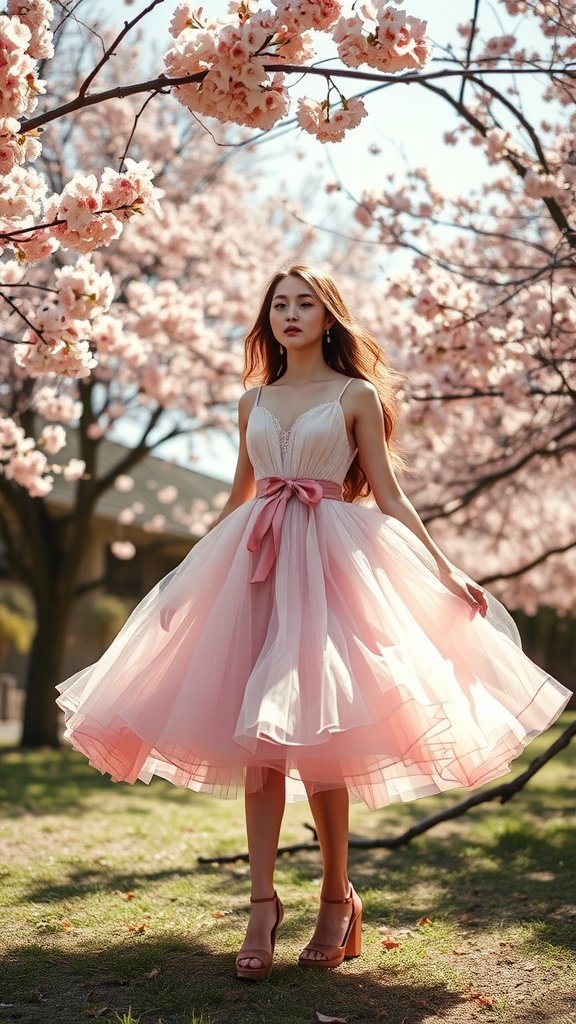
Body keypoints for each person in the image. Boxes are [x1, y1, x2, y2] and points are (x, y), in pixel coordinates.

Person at [56, 264, 571, 982]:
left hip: (331, 567)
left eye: (306, 304)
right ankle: (261, 904)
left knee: (319, 729)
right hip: (253, 565)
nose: (292, 314)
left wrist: (444, 566)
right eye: (280, 304)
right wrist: (187, 577)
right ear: (267, 319)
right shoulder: (252, 401)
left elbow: (388, 493)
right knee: (259, 739)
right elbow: (237, 501)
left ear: (329, 318)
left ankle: (337, 899)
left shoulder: (355, 394)